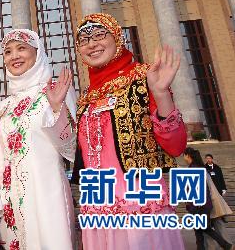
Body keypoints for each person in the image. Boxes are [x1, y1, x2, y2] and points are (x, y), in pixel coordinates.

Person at [71, 13, 188, 250]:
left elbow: (176, 146)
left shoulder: (145, 77)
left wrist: (162, 94)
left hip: (139, 201)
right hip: (98, 204)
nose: (92, 44)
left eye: (99, 35)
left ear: (117, 38)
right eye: (84, 40)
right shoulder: (86, 98)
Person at [0, 29, 77, 250]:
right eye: (7, 52)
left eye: (22, 48)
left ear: (38, 53)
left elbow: (72, 150)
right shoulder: (5, 106)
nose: (14, 56)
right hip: (11, 203)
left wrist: (57, 110)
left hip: (47, 195)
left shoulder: (57, 91)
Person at [184, 147, 233, 250]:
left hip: (199, 205)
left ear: (188, 155)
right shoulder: (199, 168)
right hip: (201, 204)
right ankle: (223, 246)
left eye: (184, 155)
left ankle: (226, 245)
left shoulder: (194, 169)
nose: (184, 158)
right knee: (199, 231)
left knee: (205, 228)